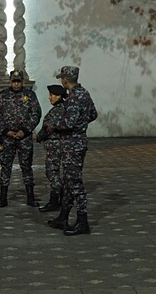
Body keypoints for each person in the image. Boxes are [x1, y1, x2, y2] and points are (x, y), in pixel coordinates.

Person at [47, 65, 97, 235]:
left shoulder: (74, 98)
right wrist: (82, 125)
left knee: (75, 183)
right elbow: (93, 114)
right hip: (78, 142)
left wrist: (54, 126)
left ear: (64, 80)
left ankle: (83, 221)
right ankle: (63, 216)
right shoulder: (84, 93)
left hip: (72, 145)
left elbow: (68, 123)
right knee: (68, 182)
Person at [0, 68, 42, 208]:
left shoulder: (30, 95)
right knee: (5, 166)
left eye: (18, 81)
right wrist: (5, 131)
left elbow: (35, 114)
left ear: (22, 81)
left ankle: (30, 197)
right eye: (13, 81)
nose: (16, 84)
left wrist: (24, 130)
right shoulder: (2, 96)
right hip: (7, 138)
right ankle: (3, 197)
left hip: (24, 138)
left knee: (26, 166)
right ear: (10, 81)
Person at [35, 84, 68, 212]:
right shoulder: (67, 109)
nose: (50, 98)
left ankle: (55, 200)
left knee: (52, 172)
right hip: (64, 144)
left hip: (54, 145)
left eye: (52, 95)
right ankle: (62, 199)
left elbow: (47, 129)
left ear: (59, 96)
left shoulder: (56, 111)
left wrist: (38, 137)